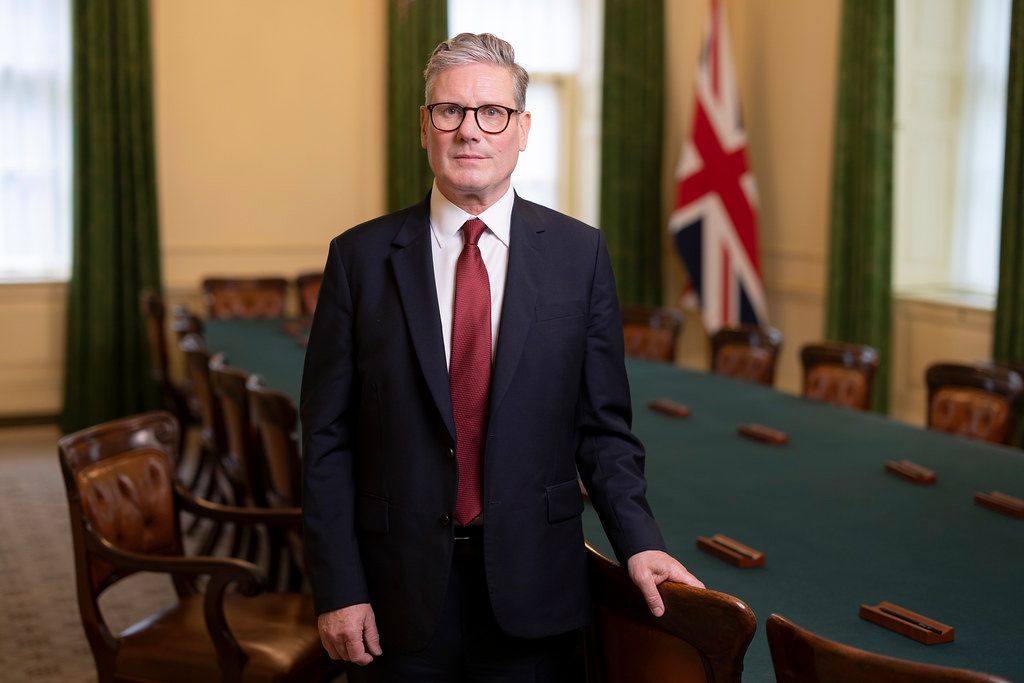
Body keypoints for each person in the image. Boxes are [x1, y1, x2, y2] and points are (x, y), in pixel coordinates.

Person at [301, 32, 703, 682]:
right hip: (395, 593)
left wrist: (640, 541)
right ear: (424, 127)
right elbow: (326, 439)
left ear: (522, 129)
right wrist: (339, 586)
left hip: (535, 589)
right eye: (449, 111)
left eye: (492, 112)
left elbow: (603, 430)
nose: (470, 131)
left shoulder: (579, 256)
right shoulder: (359, 259)